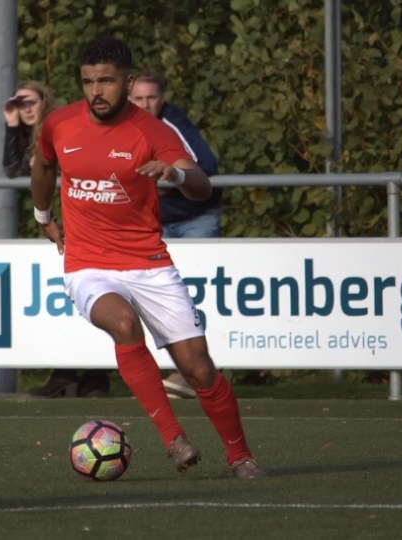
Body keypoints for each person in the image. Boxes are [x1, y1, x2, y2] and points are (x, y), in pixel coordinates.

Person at [30, 36, 265, 479]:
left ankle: (241, 456)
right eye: (87, 82)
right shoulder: (59, 124)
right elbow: (42, 166)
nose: (96, 91)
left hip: (149, 262)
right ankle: (173, 437)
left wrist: (174, 173)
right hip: (88, 264)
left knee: (198, 368)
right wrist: (43, 215)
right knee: (122, 322)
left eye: (106, 81)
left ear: (129, 81)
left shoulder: (153, 131)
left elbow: (201, 184)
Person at [3, 82, 109, 398]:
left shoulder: (62, 127)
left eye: (29, 102)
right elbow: (11, 170)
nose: (25, 109)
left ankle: (92, 375)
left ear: (45, 100)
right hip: (50, 223)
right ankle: (72, 374)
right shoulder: (29, 134)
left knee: (90, 297)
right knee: (74, 301)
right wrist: (11, 127)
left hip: (74, 220)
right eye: (18, 104)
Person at [129, 70, 221, 400]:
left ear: (162, 99)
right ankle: (186, 373)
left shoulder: (170, 122)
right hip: (156, 225)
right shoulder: (125, 124)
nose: (145, 104)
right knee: (162, 299)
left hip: (194, 218)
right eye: (138, 98)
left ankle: (200, 373)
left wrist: (172, 177)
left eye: (151, 97)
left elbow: (205, 166)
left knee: (194, 299)